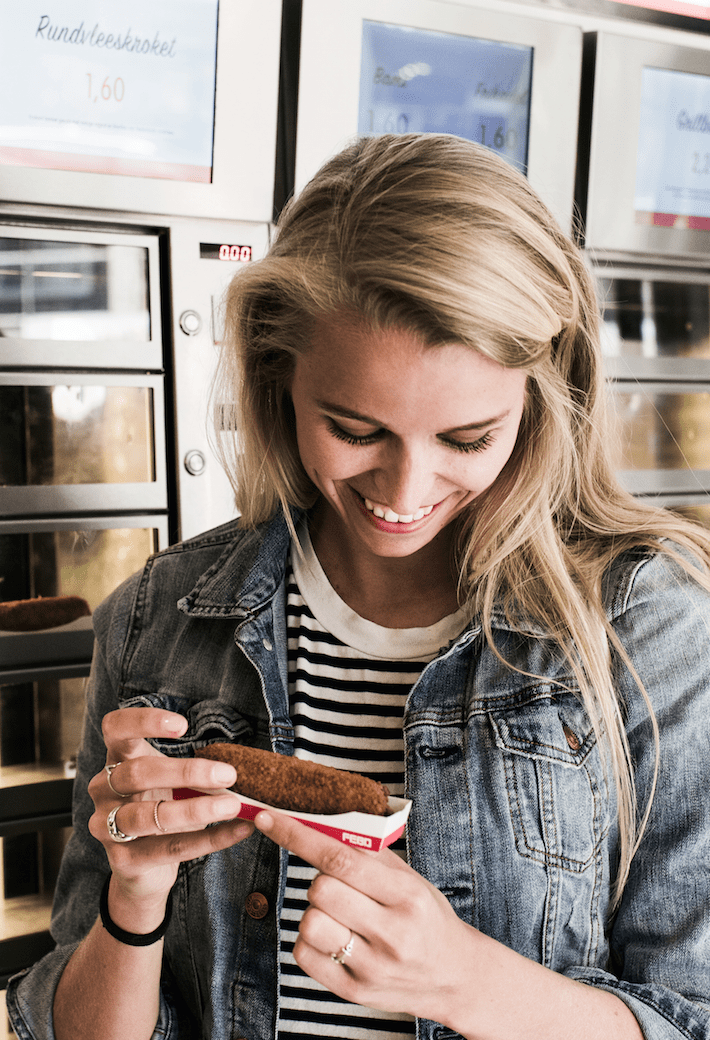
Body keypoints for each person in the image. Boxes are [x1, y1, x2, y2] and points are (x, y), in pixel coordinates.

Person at [7, 133, 710, 1040]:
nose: (405, 493)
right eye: (354, 427)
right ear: (277, 377)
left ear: (541, 399)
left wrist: (465, 983)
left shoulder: (649, 631)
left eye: (466, 439)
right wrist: (131, 903)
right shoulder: (159, 618)